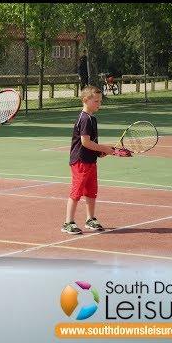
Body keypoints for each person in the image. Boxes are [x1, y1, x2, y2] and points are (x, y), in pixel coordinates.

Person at [62, 86, 114, 235]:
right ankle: (68, 222)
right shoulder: (84, 118)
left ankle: (90, 219)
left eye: (100, 101)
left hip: (90, 160)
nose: (99, 103)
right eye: (96, 101)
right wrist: (104, 148)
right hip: (80, 161)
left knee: (91, 192)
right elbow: (85, 142)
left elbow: (92, 143)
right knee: (77, 192)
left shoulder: (92, 119)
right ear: (86, 100)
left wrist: (99, 152)